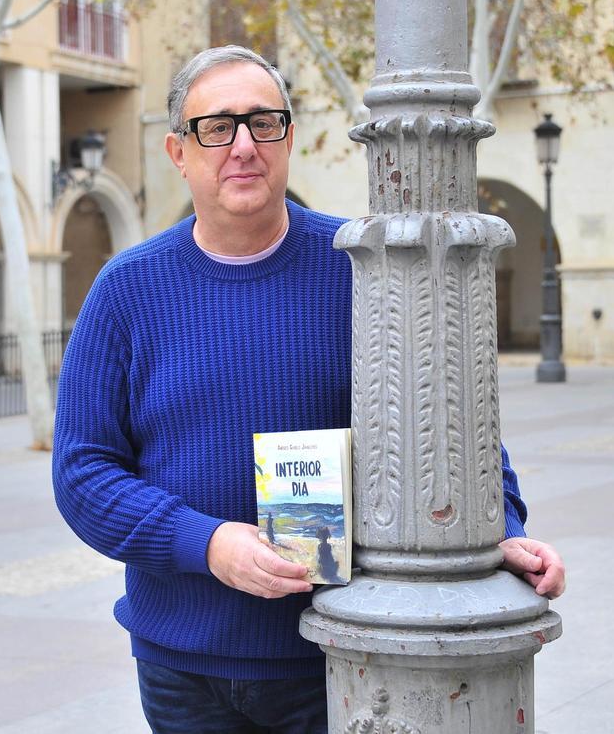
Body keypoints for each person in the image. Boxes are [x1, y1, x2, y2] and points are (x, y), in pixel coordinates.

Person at [52, 45, 565, 734]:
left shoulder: (361, 266)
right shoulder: (126, 290)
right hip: (185, 671)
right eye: (217, 126)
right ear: (178, 150)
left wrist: (498, 527)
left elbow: (447, 418)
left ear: (288, 137)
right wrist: (208, 544)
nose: (243, 145)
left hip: (337, 651)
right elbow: (83, 474)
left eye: (264, 123)